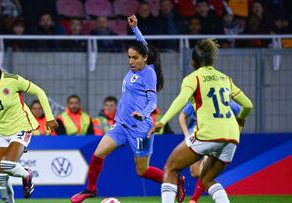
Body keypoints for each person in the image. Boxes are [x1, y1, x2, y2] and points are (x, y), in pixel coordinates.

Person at [71, 15, 173, 203]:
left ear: (145, 59)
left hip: (140, 130)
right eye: (129, 58)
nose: (131, 61)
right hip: (122, 125)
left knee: (142, 171)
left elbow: (153, 100)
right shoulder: (137, 64)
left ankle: (175, 182)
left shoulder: (148, 74)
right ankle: (91, 190)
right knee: (98, 154)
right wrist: (135, 29)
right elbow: (143, 44)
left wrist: (143, 113)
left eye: (135, 58)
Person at [150, 39, 253, 203]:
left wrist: (163, 121)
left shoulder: (193, 78)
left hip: (208, 134)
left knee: (170, 169)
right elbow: (248, 105)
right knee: (207, 179)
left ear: (193, 61)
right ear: (212, 60)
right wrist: (241, 117)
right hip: (232, 137)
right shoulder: (225, 78)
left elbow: (181, 100)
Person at [0, 52, 58, 203]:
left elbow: (39, 92)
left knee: (7, 165)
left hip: (21, 127)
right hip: (1, 132)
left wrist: (50, 118)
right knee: (0, 178)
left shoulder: (13, 80)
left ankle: (27, 175)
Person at [179, 101, 241, 203]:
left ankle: (194, 200)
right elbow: (182, 115)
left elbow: (241, 113)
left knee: (205, 172)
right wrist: (186, 135)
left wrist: (237, 133)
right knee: (195, 173)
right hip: (195, 137)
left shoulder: (226, 99)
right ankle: (179, 182)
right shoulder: (198, 97)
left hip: (214, 136)